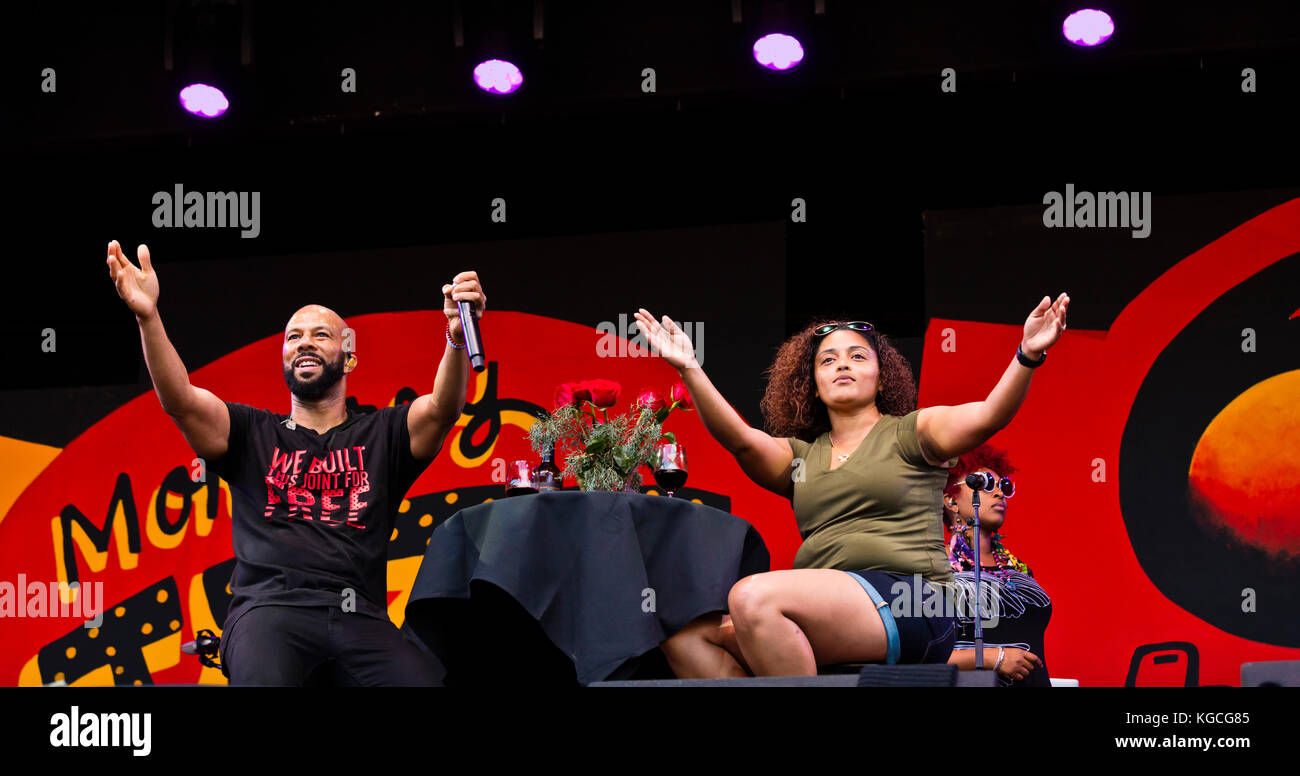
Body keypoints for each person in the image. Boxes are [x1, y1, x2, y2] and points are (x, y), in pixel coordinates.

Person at [105, 239, 486, 686]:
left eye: (321, 335)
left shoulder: (382, 434)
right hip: (269, 612)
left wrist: (455, 338)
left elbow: (441, 409)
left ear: (350, 356)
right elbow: (182, 402)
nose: (305, 343)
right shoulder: (251, 433)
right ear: (284, 357)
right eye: (293, 337)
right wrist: (148, 317)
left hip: (359, 617)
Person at [635, 293, 1068, 678]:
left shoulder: (913, 433)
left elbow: (989, 413)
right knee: (684, 638)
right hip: (831, 614)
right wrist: (690, 368)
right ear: (815, 387)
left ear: (881, 378)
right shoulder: (801, 458)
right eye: (828, 360)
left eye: (858, 356)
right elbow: (741, 441)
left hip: (912, 602)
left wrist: (1026, 355)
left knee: (753, 598)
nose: (843, 363)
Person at [943, 444, 1052, 686]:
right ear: (950, 500)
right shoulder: (935, 568)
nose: (999, 494)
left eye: (1004, 487)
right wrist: (992, 657)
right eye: (984, 484)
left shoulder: (1018, 569)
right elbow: (917, 656)